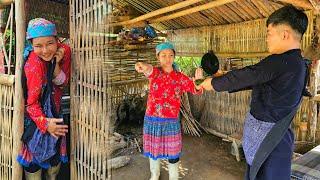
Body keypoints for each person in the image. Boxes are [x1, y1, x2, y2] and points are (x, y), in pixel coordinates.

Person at [200, 5, 309, 180]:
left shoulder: (280, 62)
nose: (267, 39)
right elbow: (255, 79)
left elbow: (250, 75)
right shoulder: (297, 63)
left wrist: (213, 83)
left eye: (269, 33)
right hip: (274, 139)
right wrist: (220, 79)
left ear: (285, 34)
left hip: (271, 141)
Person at [135, 42, 203, 180]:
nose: (167, 58)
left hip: (171, 121)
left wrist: (199, 81)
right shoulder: (155, 73)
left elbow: (195, 89)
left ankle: (174, 176)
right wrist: (142, 65)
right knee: (154, 150)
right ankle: (155, 174)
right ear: (158, 57)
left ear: (174, 57)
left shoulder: (180, 77)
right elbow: (148, 69)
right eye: (164, 55)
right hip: (153, 119)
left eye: (171, 55)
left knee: (173, 152)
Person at [16, 18, 71, 180]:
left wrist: (56, 65)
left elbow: (62, 83)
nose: (46, 50)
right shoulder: (33, 64)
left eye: (50, 43)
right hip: (35, 122)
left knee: (54, 170)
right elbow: (31, 104)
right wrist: (46, 124)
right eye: (38, 46)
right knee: (34, 170)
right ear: (31, 46)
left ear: (57, 41)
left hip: (54, 112)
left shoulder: (63, 52)